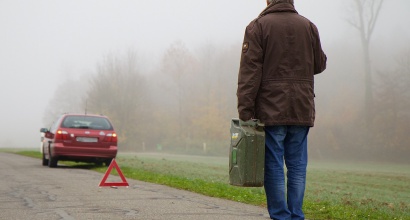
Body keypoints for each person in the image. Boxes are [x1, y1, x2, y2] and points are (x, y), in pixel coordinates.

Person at [236, 0, 327, 219]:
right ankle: (296, 215)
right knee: (297, 166)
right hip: (302, 107)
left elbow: (250, 73)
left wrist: (245, 110)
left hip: (271, 108)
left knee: (274, 164)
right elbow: (320, 65)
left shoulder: (257, 27)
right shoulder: (309, 26)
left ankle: (280, 216)